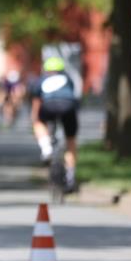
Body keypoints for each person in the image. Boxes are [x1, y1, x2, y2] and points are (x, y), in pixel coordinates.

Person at [30, 56, 80, 193]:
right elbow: (72, 95)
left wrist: (35, 119)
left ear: (46, 70)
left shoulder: (41, 80)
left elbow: (36, 102)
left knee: (39, 123)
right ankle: (71, 177)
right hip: (68, 107)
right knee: (71, 140)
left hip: (49, 106)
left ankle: (46, 149)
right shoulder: (68, 79)